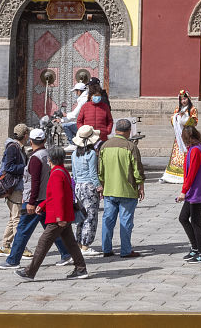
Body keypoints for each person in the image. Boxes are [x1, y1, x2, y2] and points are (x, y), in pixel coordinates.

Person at [0, 127, 69, 269]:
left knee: (22, 230)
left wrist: (30, 202)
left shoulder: (36, 158)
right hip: (44, 198)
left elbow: (35, 181)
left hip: (35, 200)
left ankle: (13, 260)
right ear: (44, 140)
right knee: (50, 228)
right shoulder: (46, 154)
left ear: (30, 140)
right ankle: (66, 253)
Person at [15, 146, 87, 281]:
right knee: (70, 243)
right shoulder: (62, 171)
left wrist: (60, 217)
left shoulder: (56, 174)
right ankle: (81, 269)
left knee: (43, 243)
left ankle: (30, 272)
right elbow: (54, 196)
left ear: (50, 159)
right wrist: (42, 205)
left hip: (57, 217)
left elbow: (59, 197)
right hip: (63, 215)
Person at [98, 118, 145, 259]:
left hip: (109, 189)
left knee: (108, 220)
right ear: (129, 131)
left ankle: (106, 248)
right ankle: (125, 250)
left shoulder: (104, 146)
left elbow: (100, 169)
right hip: (127, 190)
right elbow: (137, 169)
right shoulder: (131, 147)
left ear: (115, 130)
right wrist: (141, 185)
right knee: (126, 221)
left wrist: (103, 184)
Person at [176, 125, 201, 263]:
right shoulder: (193, 148)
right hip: (192, 191)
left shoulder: (196, 150)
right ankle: (195, 248)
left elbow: (191, 174)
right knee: (183, 218)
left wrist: (183, 191)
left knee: (196, 222)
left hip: (195, 191)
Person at [0, 124, 29, 258]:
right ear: (25, 135)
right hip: (13, 187)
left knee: (12, 217)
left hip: (16, 186)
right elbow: (8, 167)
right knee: (17, 218)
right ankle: (20, 248)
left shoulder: (19, 148)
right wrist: (25, 167)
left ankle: (5, 246)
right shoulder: (13, 148)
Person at [70, 125, 102, 254]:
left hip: (78, 186)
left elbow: (75, 174)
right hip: (89, 186)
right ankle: (85, 245)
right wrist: (99, 187)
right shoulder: (92, 153)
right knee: (90, 216)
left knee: (82, 216)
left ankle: (79, 242)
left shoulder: (74, 154)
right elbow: (93, 173)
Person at [160, 90, 197, 184]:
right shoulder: (177, 109)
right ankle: (171, 175)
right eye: (181, 99)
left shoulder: (192, 109)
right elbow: (172, 120)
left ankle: (187, 174)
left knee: (187, 154)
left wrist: (184, 117)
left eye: (185, 98)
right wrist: (176, 116)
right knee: (176, 155)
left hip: (188, 135)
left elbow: (194, 122)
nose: (183, 101)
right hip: (178, 137)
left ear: (189, 98)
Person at [77, 78, 114, 144]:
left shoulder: (105, 106)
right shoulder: (85, 106)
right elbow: (79, 121)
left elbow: (110, 120)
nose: (97, 97)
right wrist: (83, 130)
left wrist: (107, 130)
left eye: (98, 95)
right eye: (95, 96)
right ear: (90, 96)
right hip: (89, 138)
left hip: (102, 137)